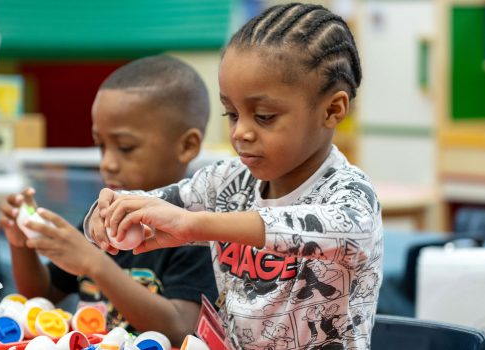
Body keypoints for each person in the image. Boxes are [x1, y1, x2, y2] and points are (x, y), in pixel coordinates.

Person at [35, 3, 382, 349]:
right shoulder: (226, 181)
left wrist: (194, 225)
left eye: (263, 116)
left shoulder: (351, 197)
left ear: (332, 110)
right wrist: (108, 214)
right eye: (231, 114)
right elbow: (151, 203)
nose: (240, 132)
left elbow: (316, 227)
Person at [0, 55, 218, 344]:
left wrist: (95, 264)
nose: (107, 164)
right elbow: (41, 299)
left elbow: (179, 328)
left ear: (187, 146)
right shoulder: (100, 221)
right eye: (101, 146)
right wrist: (22, 243)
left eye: (125, 148)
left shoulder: (195, 232)